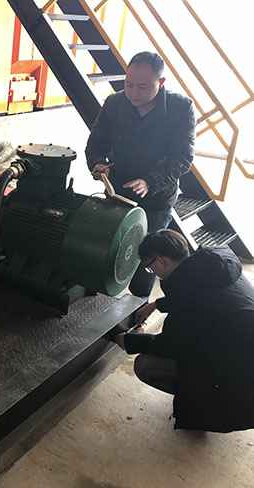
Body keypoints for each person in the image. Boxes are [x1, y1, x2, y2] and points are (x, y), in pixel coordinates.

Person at [115, 229, 254, 432]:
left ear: (161, 261)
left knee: (145, 365)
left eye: (150, 268)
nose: (153, 273)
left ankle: (206, 411)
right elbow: (199, 296)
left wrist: (129, 341)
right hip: (242, 356)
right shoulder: (215, 267)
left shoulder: (190, 303)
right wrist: (158, 304)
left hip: (242, 394)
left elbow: (171, 346)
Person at [85, 51, 196, 297]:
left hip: (156, 201)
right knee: (105, 249)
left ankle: (137, 305)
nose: (133, 93)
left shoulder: (181, 108)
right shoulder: (114, 103)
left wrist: (149, 181)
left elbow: (183, 158)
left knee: (147, 260)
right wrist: (98, 163)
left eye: (143, 87)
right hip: (118, 192)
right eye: (128, 84)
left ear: (161, 82)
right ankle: (94, 299)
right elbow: (96, 143)